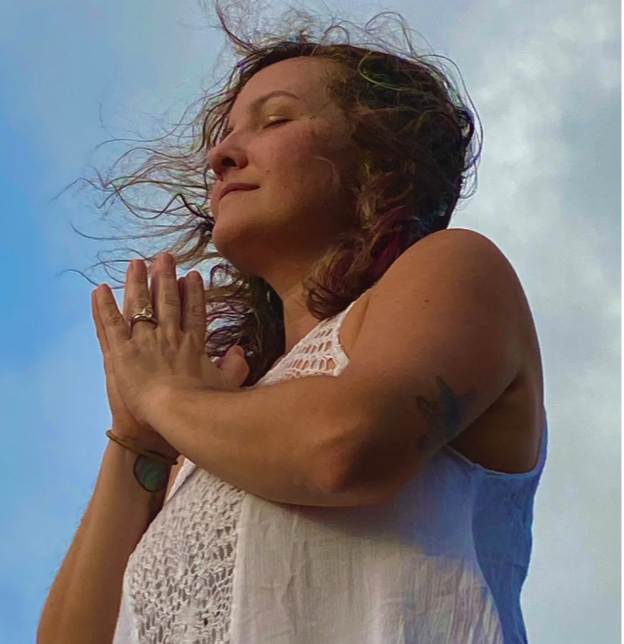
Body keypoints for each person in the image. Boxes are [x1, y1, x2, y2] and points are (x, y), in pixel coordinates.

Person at [38, 6, 547, 644]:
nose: (221, 155)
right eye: (224, 134)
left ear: (380, 160)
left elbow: (344, 449)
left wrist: (162, 393)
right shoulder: (215, 419)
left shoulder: (458, 265)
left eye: (276, 119)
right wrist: (139, 441)